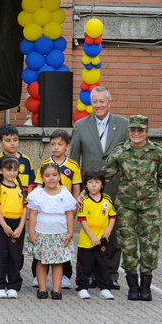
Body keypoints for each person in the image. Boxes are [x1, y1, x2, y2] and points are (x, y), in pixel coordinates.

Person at [104, 115, 162, 301]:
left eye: (140, 130)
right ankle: (133, 286)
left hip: (149, 207)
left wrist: (152, 191)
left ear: (146, 132)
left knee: (150, 245)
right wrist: (85, 192)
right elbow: (105, 175)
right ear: (129, 131)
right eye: (133, 130)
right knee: (128, 245)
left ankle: (146, 286)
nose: (136, 134)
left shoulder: (157, 153)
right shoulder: (119, 152)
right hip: (126, 207)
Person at [69, 86, 128, 289]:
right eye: (95, 101)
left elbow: (128, 159)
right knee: (90, 231)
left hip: (115, 188)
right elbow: (74, 162)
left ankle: (110, 275)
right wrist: (76, 192)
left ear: (109, 103)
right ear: (91, 103)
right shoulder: (80, 125)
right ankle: (91, 274)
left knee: (113, 233)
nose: (99, 105)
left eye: (102, 101)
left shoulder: (123, 125)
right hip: (89, 191)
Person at [33, 129, 81, 289]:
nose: (56, 147)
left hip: (64, 211)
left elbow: (76, 190)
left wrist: (73, 211)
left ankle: (65, 276)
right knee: (41, 246)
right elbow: (38, 186)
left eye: (60, 144)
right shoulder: (45, 164)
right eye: (53, 144)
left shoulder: (73, 165)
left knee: (63, 245)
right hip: (45, 212)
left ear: (67, 146)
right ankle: (38, 277)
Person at [23, 163, 77, 300]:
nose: (51, 178)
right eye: (47, 176)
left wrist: (71, 232)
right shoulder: (37, 194)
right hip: (42, 233)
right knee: (41, 261)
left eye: (54, 175)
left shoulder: (65, 194)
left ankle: (56, 290)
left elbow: (70, 215)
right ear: (42, 178)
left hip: (60, 234)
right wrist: (31, 232)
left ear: (59, 177)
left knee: (57, 262)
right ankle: (42, 289)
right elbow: (33, 214)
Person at [0, 156, 27, 299]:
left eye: (15, 170)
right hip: (2, 224)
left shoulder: (20, 189)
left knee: (15, 256)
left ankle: (13, 285)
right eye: (8, 170)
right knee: (0, 255)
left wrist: (20, 227)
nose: (11, 173)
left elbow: (25, 209)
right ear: (1, 171)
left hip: (17, 225)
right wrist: (4, 226)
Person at [75, 169, 116, 300]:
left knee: (103, 264)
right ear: (86, 185)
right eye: (90, 182)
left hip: (102, 239)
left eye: (97, 182)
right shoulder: (84, 201)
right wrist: (92, 236)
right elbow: (82, 220)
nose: (93, 185)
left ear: (102, 184)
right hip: (87, 240)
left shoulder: (107, 200)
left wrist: (109, 229)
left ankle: (104, 288)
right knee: (85, 265)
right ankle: (82, 287)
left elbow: (113, 216)